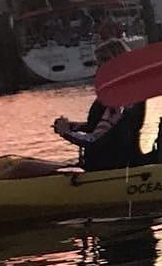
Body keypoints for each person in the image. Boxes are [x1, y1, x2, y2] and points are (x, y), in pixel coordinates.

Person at [52, 37, 148, 170]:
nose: (97, 70)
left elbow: (94, 140)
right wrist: (72, 126)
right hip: (120, 164)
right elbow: (99, 127)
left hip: (111, 168)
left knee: (22, 169)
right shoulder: (123, 93)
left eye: (100, 64)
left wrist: (65, 132)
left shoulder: (118, 99)